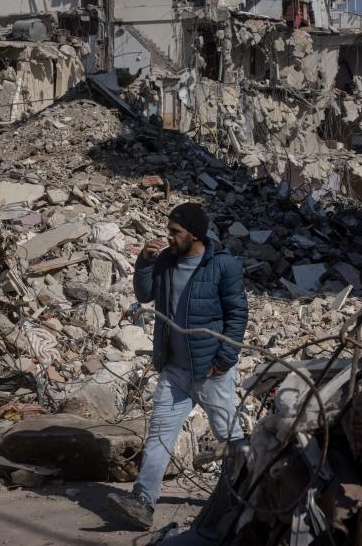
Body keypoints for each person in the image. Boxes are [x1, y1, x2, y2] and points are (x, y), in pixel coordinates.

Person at [106, 202, 248, 529]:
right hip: (174, 370)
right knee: (159, 436)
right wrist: (143, 261)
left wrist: (225, 360)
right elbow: (144, 296)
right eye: (169, 230)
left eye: (175, 232)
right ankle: (143, 502)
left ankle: (245, 497)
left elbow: (237, 315)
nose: (169, 237)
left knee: (232, 441)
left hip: (211, 372)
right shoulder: (167, 261)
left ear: (194, 234)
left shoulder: (223, 266)